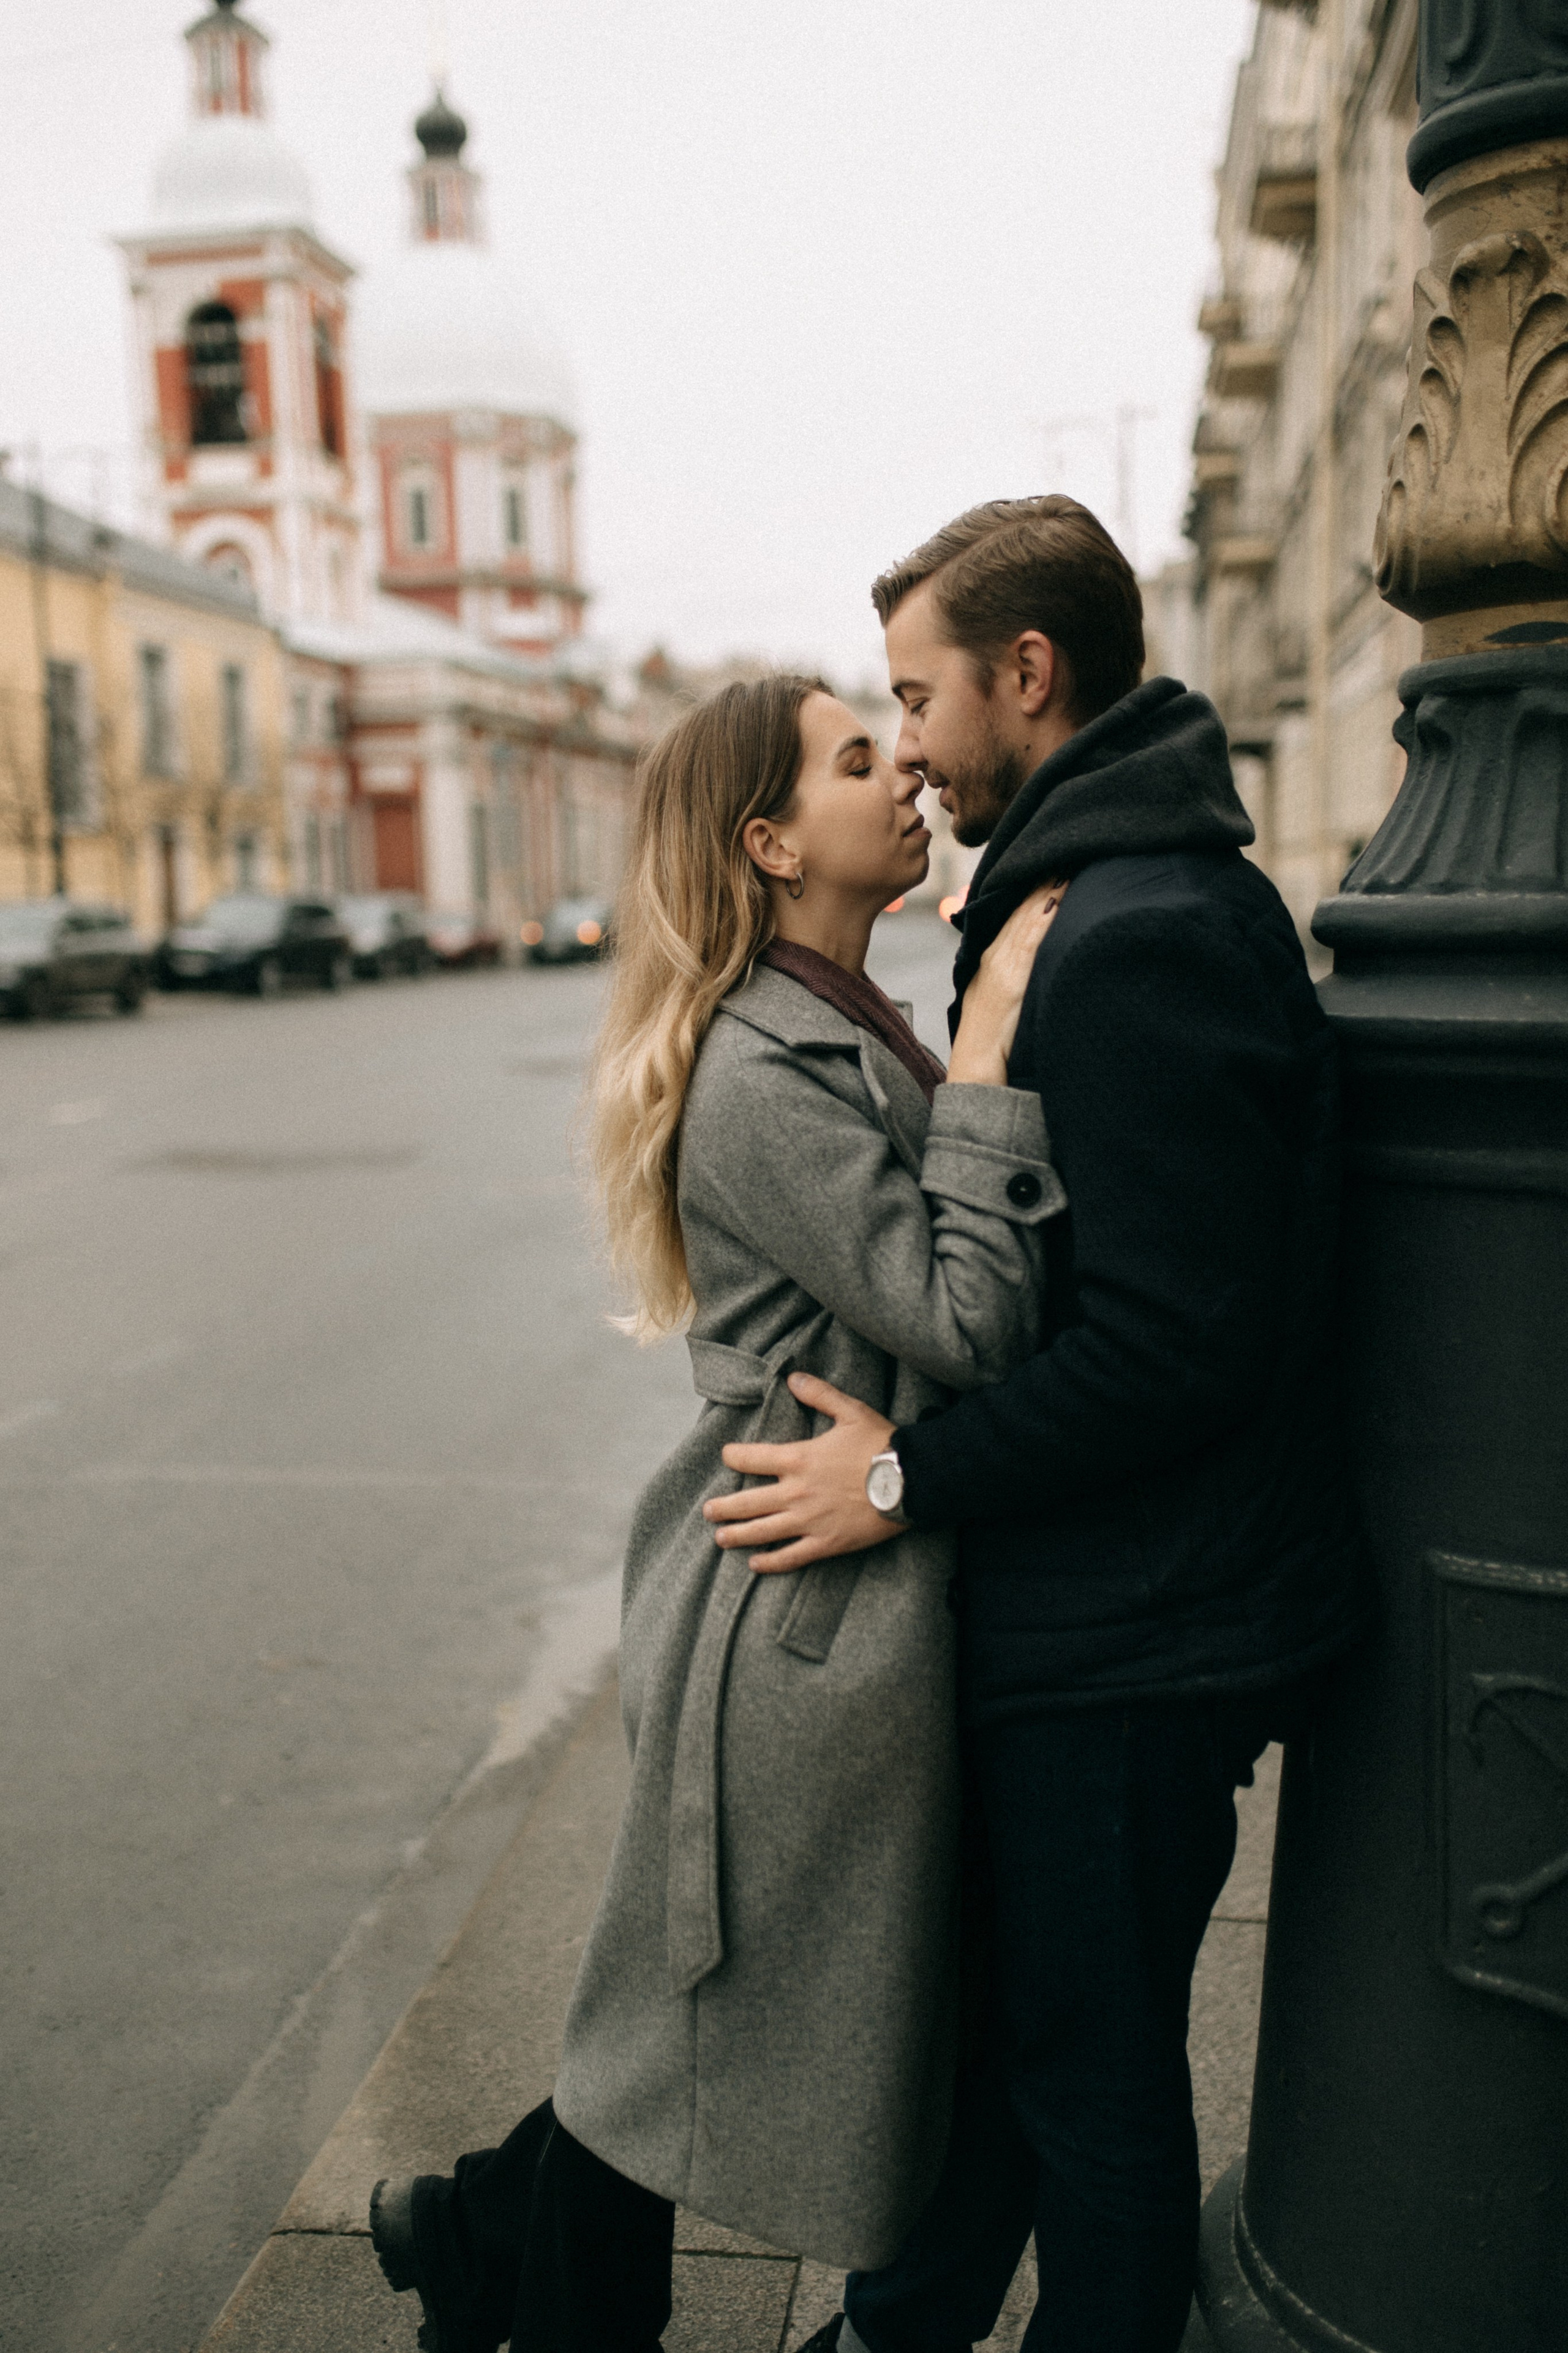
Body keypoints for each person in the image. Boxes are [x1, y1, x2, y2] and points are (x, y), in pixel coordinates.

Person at [704, 497, 1370, 2353]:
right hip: (1107, 1609)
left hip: (1131, 1636)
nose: (907, 743)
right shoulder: (1102, 896)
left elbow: (1172, 1349)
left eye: (917, 697)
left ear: (1028, 673)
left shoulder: (1137, 928)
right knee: (1024, 2038)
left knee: (1089, 2087)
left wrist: (899, 1475)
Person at [370, 673, 1068, 2353]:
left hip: (820, 1580)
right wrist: (984, 1061)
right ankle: (515, 2271)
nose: (903, 765)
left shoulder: (826, 1007)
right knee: (685, 2033)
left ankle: (470, 2232)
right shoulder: (764, 1068)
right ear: (768, 841)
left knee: (687, 2026)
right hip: (797, 1624)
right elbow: (966, 1319)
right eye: (854, 756)